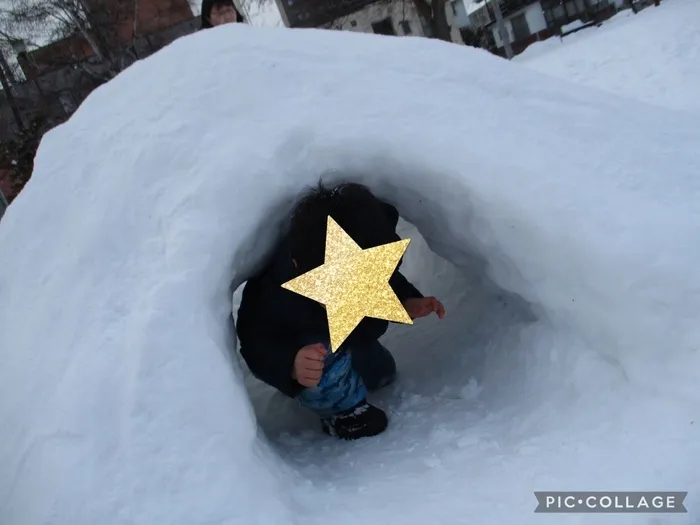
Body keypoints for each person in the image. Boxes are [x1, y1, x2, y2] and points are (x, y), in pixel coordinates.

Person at [236, 182, 446, 440]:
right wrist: (289, 365)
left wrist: (407, 302)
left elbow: (387, 282)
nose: (353, 289)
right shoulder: (276, 293)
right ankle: (346, 413)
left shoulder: (366, 264)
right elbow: (256, 340)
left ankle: (352, 374)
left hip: (355, 339)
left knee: (380, 375)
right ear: (298, 264)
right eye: (338, 285)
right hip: (310, 352)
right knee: (322, 360)